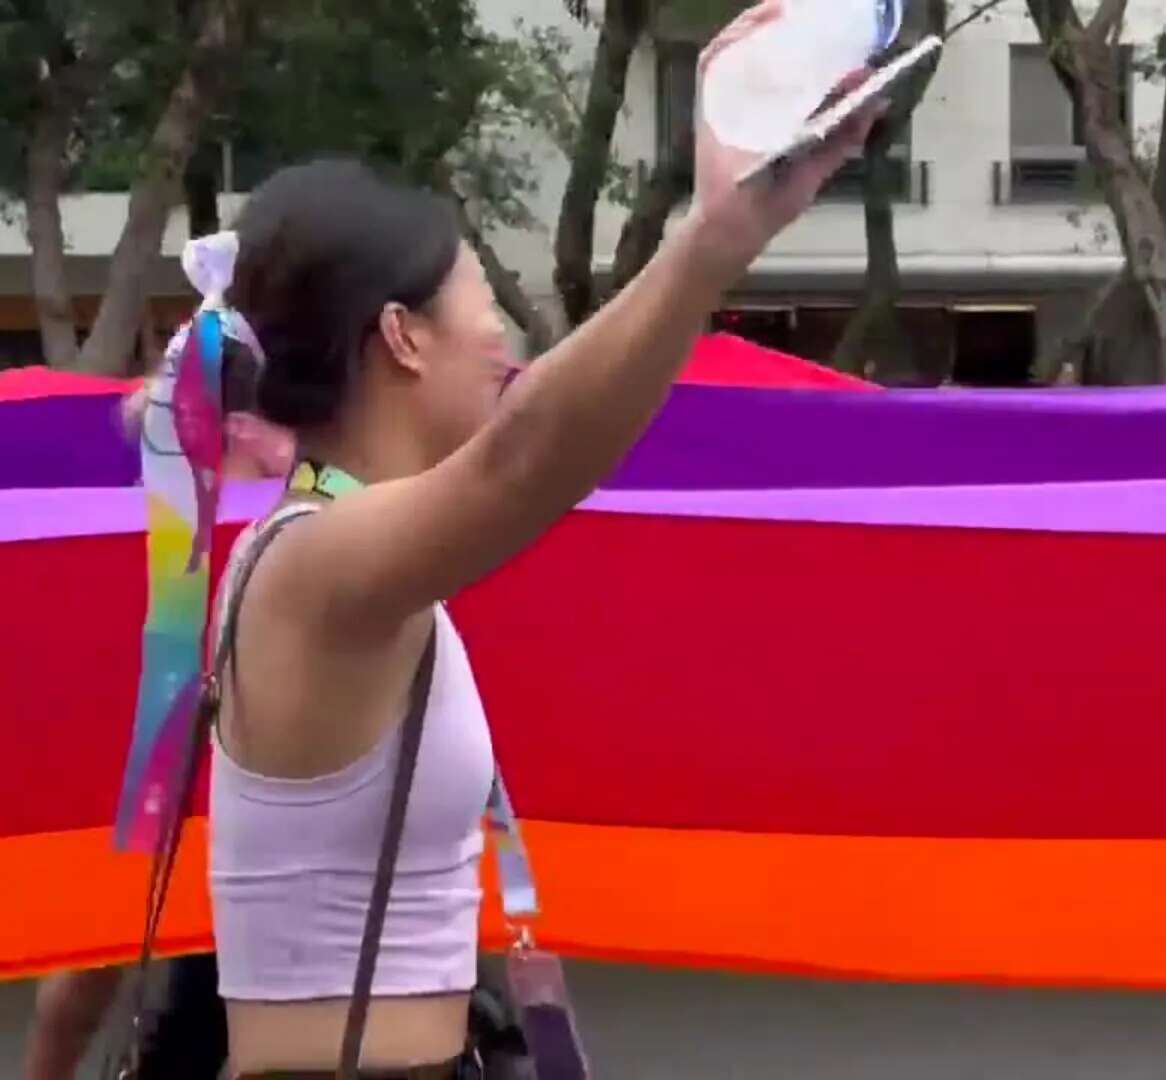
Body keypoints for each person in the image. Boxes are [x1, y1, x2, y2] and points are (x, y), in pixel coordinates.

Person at [120, 8, 871, 1077]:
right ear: (400, 336)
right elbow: (527, 456)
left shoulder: (343, 551)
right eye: (481, 297)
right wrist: (714, 239)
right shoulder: (312, 563)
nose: (505, 342)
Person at [24, 354, 300, 1080]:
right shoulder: (197, 518)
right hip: (209, 780)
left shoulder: (305, 490)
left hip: (265, 796)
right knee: (126, 937)